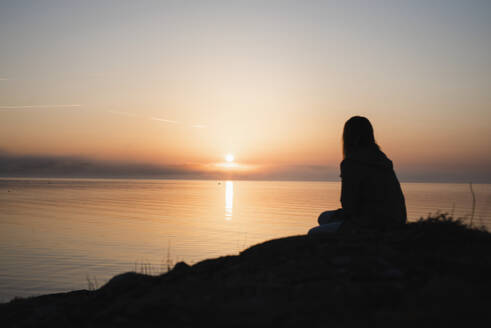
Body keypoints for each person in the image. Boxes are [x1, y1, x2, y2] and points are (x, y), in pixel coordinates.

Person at [308, 116, 406, 234]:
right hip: (397, 219)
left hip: (372, 224)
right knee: (323, 217)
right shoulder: (381, 158)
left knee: (313, 233)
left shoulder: (351, 162)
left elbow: (348, 205)